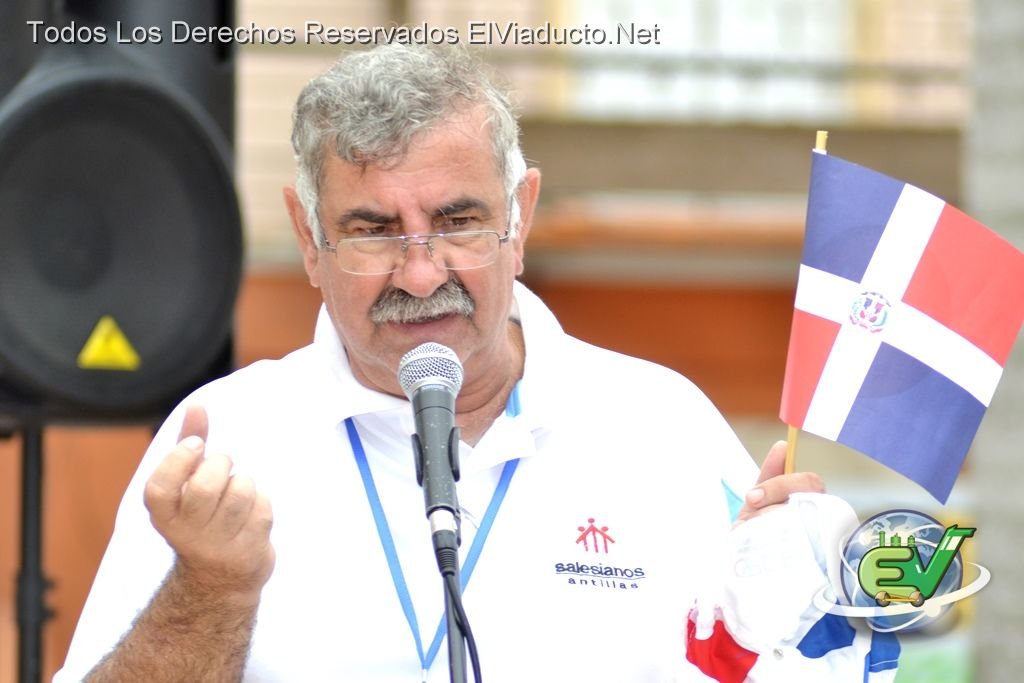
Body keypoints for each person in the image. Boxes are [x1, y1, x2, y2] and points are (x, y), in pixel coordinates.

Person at [56, 43, 895, 682]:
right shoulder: (227, 442)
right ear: (309, 240)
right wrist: (211, 590)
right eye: (373, 231)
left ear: (521, 216)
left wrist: (793, 607)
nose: (420, 274)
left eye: (459, 221)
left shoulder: (660, 425)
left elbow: (797, 666)